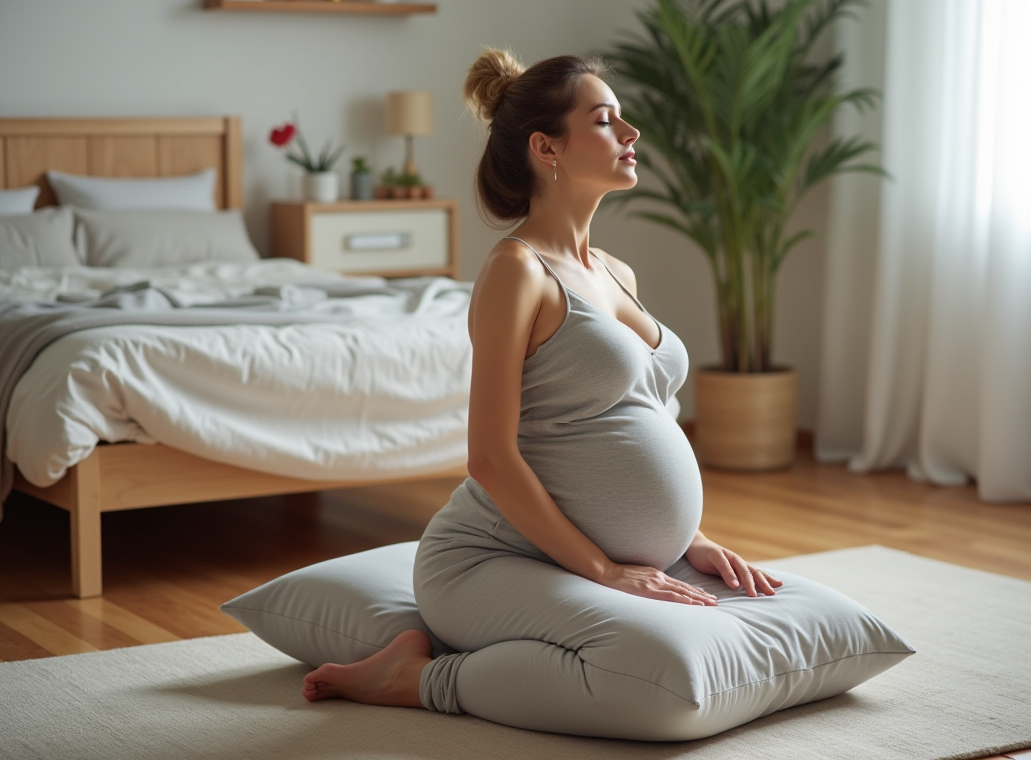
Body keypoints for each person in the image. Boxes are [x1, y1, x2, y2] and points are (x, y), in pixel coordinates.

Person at [301, 49, 782, 737]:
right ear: (545, 147)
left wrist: (688, 536)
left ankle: (424, 658)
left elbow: (636, 412)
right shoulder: (515, 273)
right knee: (648, 679)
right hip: (488, 560)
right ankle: (416, 678)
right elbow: (490, 458)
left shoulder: (617, 272)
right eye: (607, 120)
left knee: (694, 647)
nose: (632, 133)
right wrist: (605, 572)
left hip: (596, 554)